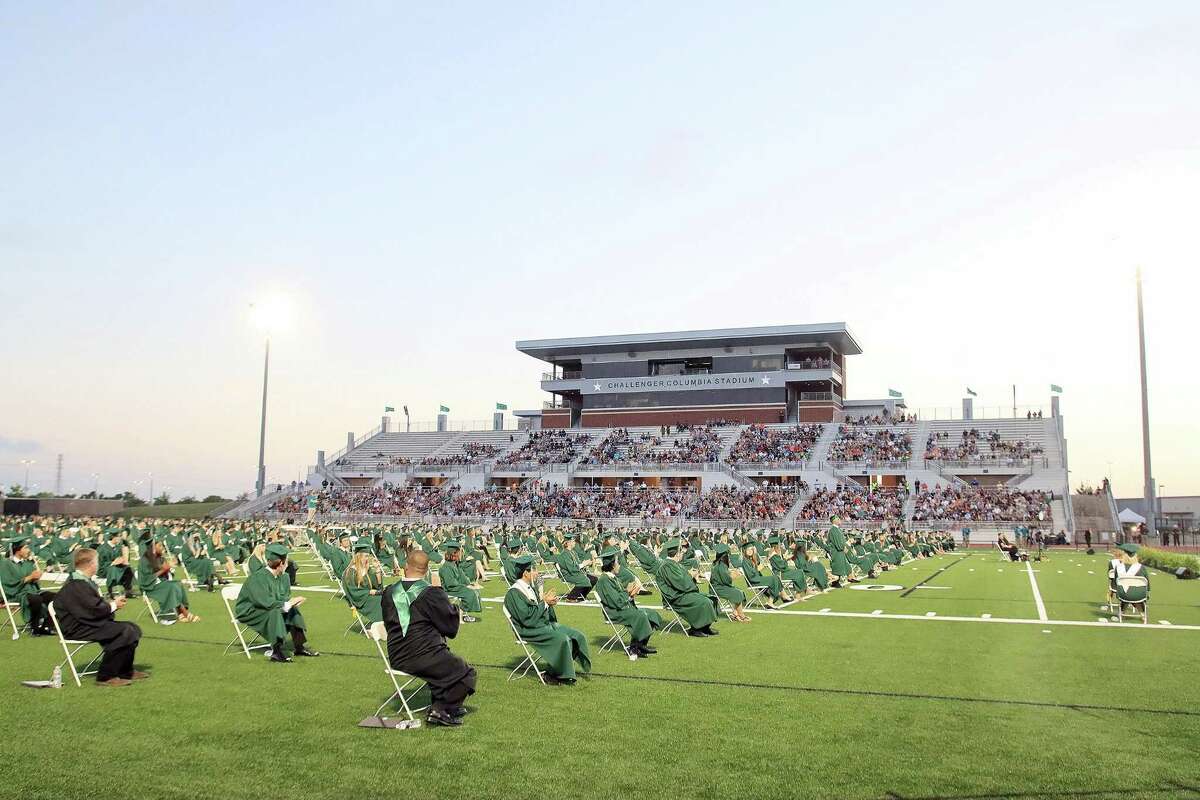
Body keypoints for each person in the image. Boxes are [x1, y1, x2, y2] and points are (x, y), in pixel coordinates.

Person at [381, 549, 477, 727]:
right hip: (423, 655)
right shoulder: (431, 593)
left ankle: (447, 706)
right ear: (426, 570)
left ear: (405, 566)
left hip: (396, 655)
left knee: (446, 667)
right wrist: (446, 598)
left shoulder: (388, 592)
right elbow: (450, 627)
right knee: (466, 673)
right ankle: (440, 708)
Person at [51, 548, 147, 687]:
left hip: (88, 623)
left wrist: (112, 605)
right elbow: (91, 610)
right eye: (97, 562)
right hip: (78, 627)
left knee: (132, 628)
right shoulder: (76, 584)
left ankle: (125, 671)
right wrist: (113, 605)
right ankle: (106, 676)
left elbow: (92, 606)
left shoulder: (84, 581)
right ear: (91, 564)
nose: (98, 564)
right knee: (125, 631)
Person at [503, 555, 591, 683]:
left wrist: (548, 603)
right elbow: (526, 618)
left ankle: (555, 671)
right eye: (534, 570)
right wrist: (544, 603)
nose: (536, 573)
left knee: (577, 636)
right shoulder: (514, 593)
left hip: (541, 624)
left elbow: (538, 609)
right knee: (563, 639)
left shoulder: (529, 588)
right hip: (527, 629)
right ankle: (556, 675)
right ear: (525, 573)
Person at [235, 543, 318, 662]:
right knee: (274, 612)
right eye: (286, 561)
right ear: (280, 564)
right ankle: (276, 651)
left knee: (293, 610)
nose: (288, 564)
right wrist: (287, 604)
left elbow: (283, 597)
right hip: (250, 610)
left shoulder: (284, 577)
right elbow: (263, 601)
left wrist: (291, 603)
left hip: (268, 607)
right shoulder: (258, 577)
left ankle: (299, 647)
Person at [594, 547, 660, 656]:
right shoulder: (604, 580)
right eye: (617, 563)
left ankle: (640, 645)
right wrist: (627, 592)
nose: (618, 565)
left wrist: (630, 594)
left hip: (622, 608)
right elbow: (616, 602)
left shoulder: (612, 578)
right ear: (612, 565)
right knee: (641, 615)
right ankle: (634, 648)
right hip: (614, 612)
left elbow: (620, 596)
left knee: (651, 614)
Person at [654, 539, 719, 637]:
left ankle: (705, 627)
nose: (682, 554)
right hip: (676, 597)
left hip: (683, 593)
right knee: (705, 602)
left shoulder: (673, 564)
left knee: (712, 599)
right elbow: (681, 583)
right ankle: (695, 629)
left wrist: (689, 573)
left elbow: (681, 578)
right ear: (676, 554)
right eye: (681, 552)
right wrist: (691, 575)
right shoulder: (667, 566)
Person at [0, 538, 55, 635]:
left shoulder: (27, 563)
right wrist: (30, 577)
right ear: (17, 550)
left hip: (32, 591)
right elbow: (8, 583)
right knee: (36, 599)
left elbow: (33, 580)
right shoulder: (6, 564)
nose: (28, 550)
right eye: (25, 548)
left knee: (54, 597)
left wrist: (36, 577)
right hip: (17, 594)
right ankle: (35, 627)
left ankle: (46, 626)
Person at [138, 538, 198, 623]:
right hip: (150, 587)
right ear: (153, 548)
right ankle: (185, 613)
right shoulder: (144, 561)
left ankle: (181, 613)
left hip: (161, 583)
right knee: (172, 587)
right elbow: (146, 579)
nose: (162, 547)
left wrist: (170, 567)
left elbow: (167, 572)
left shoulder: (160, 558)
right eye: (160, 545)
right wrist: (163, 570)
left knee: (178, 584)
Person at [343, 540, 386, 625]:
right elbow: (353, 592)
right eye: (366, 556)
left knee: (388, 598)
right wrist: (369, 592)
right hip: (360, 601)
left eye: (368, 556)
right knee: (381, 600)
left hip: (369, 597)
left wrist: (377, 569)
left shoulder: (367, 569)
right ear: (359, 557)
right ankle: (382, 624)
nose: (367, 559)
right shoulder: (351, 571)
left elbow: (378, 587)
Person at [437, 540, 482, 621]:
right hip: (450, 589)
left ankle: (462, 614)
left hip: (457, 587)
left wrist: (470, 584)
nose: (461, 554)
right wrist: (466, 586)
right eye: (459, 552)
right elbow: (450, 583)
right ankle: (459, 616)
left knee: (475, 590)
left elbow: (463, 577)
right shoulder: (446, 567)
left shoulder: (455, 564)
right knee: (470, 592)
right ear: (453, 553)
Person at [708, 543, 750, 622]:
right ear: (725, 556)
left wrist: (731, 573)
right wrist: (735, 576)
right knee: (737, 593)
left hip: (717, 586)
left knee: (738, 591)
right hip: (718, 589)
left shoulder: (716, 563)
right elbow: (726, 580)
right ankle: (741, 615)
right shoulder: (721, 566)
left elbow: (723, 577)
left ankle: (735, 614)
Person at [556, 534, 596, 602]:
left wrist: (586, 563)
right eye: (573, 541)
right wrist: (583, 564)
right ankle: (571, 597)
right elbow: (571, 568)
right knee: (584, 580)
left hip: (575, 572)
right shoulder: (564, 554)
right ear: (568, 543)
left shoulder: (573, 552)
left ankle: (581, 597)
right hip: (568, 574)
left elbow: (577, 564)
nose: (574, 543)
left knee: (593, 579)